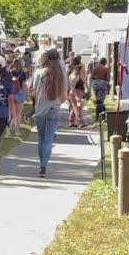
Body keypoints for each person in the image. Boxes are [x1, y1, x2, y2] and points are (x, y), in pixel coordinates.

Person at [30, 49, 69, 177]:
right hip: (55, 108)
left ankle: (41, 165)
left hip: (40, 109)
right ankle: (44, 166)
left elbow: (34, 92)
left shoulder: (39, 73)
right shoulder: (61, 75)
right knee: (48, 140)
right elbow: (64, 96)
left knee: (41, 139)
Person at [8, 57, 29, 134]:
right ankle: (17, 131)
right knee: (18, 114)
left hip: (11, 94)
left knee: (10, 113)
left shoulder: (10, 73)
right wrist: (27, 94)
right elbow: (23, 85)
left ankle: (8, 131)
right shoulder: (22, 73)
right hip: (19, 93)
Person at [68, 57, 89, 127]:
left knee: (75, 107)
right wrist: (77, 96)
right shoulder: (75, 77)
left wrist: (86, 90)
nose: (84, 70)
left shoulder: (74, 75)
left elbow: (85, 83)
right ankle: (80, 122)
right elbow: (73, 87)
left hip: (76, 92)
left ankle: (71, 121)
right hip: (76, 93)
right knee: (78, 107)